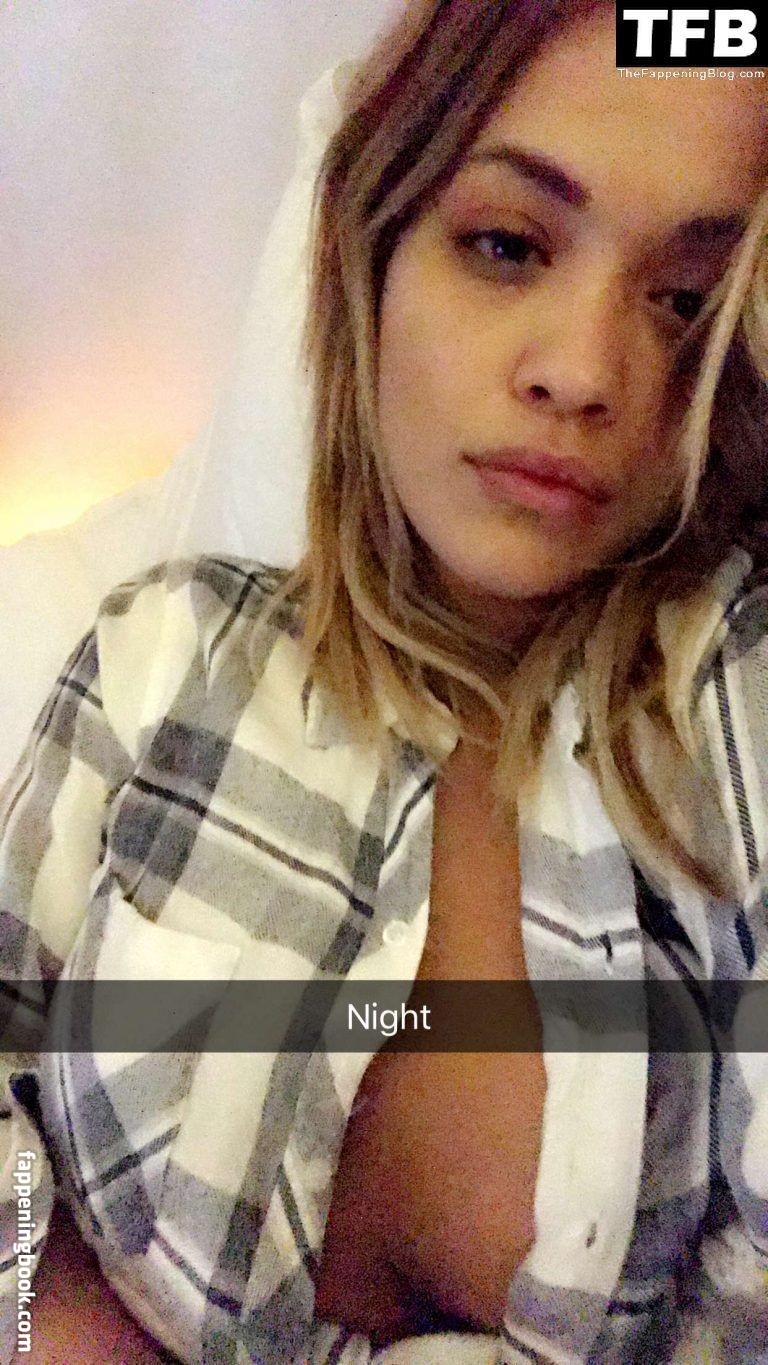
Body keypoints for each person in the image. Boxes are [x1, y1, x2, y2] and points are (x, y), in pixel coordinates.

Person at [2, 0, 768, 1360]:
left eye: (686, 303)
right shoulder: (159, 659)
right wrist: (46, 1314)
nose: (583, 371)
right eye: (507, 244)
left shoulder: (732, 726)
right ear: (375, 252)